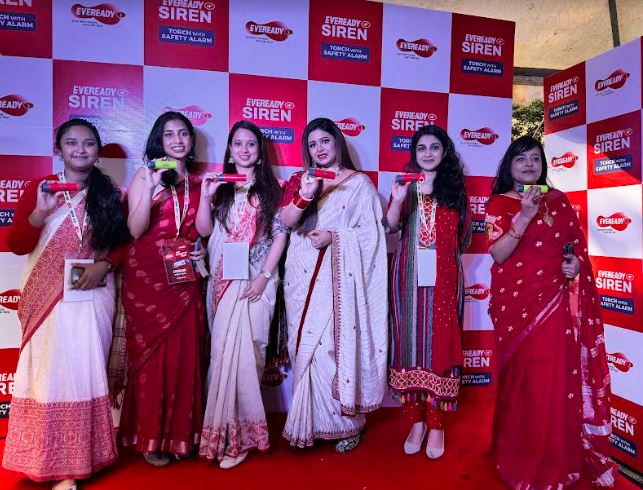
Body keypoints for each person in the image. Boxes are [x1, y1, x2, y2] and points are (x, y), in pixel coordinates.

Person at [2, 119, 129, 490]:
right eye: (72, 143)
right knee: (51, 376)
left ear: (97, 151)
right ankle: (50, 461)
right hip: (48, 300)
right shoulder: (40, 188)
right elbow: (18, 244)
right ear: (58, 149)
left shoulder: (109, 193)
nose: (80, 150)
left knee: (84, 374)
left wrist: (104, 266)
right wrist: (40, 212)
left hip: (92, 295)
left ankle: (79, 462)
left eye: (88, 143)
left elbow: (121, 244)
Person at [486, 136, 617, 488]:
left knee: (553, 380)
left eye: (535, 158)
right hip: (516, 307)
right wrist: (525, 215)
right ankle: (520, 453)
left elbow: (574, 251)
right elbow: (498, 254)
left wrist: (574, 265)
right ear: (509, 165)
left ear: (542, 165)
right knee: (525, 382)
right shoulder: (499, 203)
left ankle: (556, 457)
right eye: (520, 159)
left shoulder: (559, 201)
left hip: (555, 303)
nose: (529, 164)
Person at [279, 117, 388, 452]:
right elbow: (286, 221)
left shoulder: (359, 184)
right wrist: (304, 194)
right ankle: (307, 423)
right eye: (312, 144)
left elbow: (372, 235)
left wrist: (334, 237)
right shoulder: (301, 179)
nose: (319, 149)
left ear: (337, 143)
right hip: (300, 274)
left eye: (325, 141)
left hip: (338, 277)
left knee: (330, 347)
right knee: (304, 349)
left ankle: (347, 425)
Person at [196, 121, 288, 469]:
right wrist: (205, 196)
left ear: (260, 152)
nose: (245, 149)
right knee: (222, 354)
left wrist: (264, 277)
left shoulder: (271, 190)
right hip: (223, 281)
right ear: (230, 150)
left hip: (255, 282)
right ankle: (222, 435)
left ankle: (244, 439)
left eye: (251, 144)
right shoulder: (219, 188)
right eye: (238, 143)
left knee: (249, 355)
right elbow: (205, 231)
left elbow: (280, 236)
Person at [119, 111, 207, 466]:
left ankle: (180, 437)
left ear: (191, 140)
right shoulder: (145, 174)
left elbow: (202, 231)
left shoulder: (199, 183)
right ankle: (151, 438)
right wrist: (153, 187)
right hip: (147, 278)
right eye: (169, 134)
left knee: (185, 355)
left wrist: (201, 248)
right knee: (152, 360)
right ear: (159, 140)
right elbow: (135, 229)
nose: (177, 140)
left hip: (184, 276)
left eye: (183, 133)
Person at [384, 125, 470, 459]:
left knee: (440, 345)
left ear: (444, 152)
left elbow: (464, 238)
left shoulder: (455, 190)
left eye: (435, 147)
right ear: (414, 154)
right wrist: (397, 200)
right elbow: (390, 226)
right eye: (421, 148)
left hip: (444, 279)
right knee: (410, 345)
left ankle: (436, 425)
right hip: (408, 277)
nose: (428, 153)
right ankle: (416, 422)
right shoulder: (405, 185)